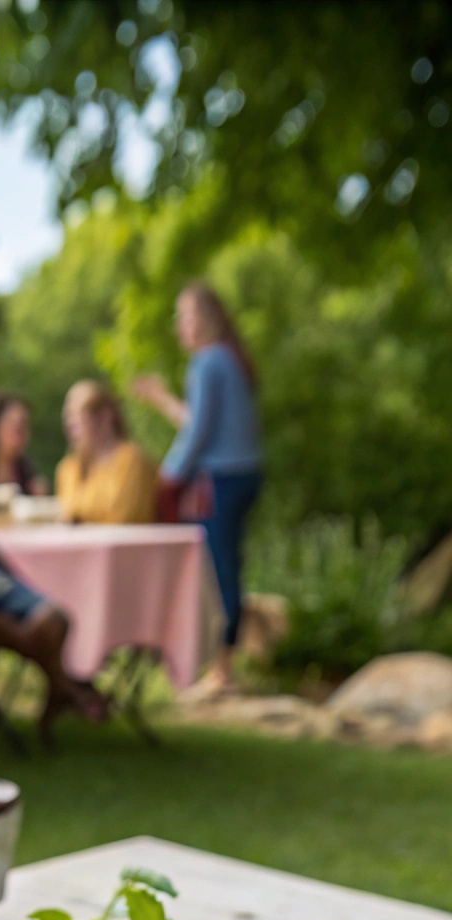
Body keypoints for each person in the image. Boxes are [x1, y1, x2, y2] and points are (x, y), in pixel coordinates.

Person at [0, 390, 102, 731]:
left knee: (61, 608)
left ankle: (62, 685)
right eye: (15, 424)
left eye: (26, 425)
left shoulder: (22, 469)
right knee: (50, 617)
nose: (23, 433)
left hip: (29, 570)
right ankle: (67, 685)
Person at [133, 282, 263, 689]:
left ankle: (221, 668)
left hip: (220, 481)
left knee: (218, 570)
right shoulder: (228, 360)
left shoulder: (207, 363)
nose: (181, 327)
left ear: (208, 319)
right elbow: (199, 421)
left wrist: (168, 476)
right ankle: (220, 664)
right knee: (227, 566)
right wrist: (161, 399)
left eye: (187, 316)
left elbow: (198, 436)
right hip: (244, 474)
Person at [56, 380, 158, 524]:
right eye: (68, 415)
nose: (71, 423)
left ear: (106, 415)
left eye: (81, 413)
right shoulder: (68, 468)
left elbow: (125, 518)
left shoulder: (131, 459)